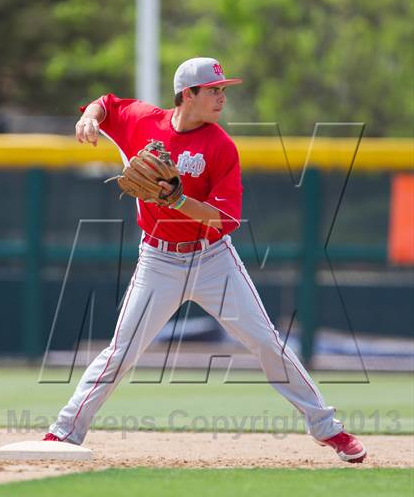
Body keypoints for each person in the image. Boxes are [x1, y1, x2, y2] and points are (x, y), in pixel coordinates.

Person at [44, 57, 366, 463]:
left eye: (222, 89)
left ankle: (329, 430)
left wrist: (176, 199)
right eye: (213, 90)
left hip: (212, 261)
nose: (221, 96)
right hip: (157, 261)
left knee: (267, 343)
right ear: (188, 94)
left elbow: (224, 218)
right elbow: (106, 103)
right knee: (121, 351)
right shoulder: (144, 120)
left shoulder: (220, 146)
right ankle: (63, 432)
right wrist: (89, 118)